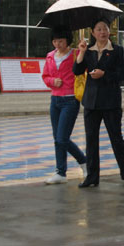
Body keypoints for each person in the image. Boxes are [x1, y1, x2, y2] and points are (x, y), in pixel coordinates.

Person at [74, 18, 124, 188]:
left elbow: (122, 74)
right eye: (99, 29)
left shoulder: (117, 50)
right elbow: (77, 71)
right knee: (91, 140)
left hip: (110, 102)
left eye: (105, 29)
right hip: (91, 102)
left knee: (116, 138)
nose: (102, 32)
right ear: (93, 33)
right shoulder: (88, 51)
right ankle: (92, 177)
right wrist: (81, 53)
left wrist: (104, 74)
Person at [41, 28, 87, 184]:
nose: (57, 44)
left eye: (60, 41)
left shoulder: (75, 54)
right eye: (55, 41)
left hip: (70, 100)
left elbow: (82, 69)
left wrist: (82, 52)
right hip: (55, 100)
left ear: (68, 40)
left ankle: (82, 162)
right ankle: (61, 172)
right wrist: (52, 81)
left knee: (62, 138)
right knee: (58, 139)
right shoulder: (50, 56)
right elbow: (45, 76)